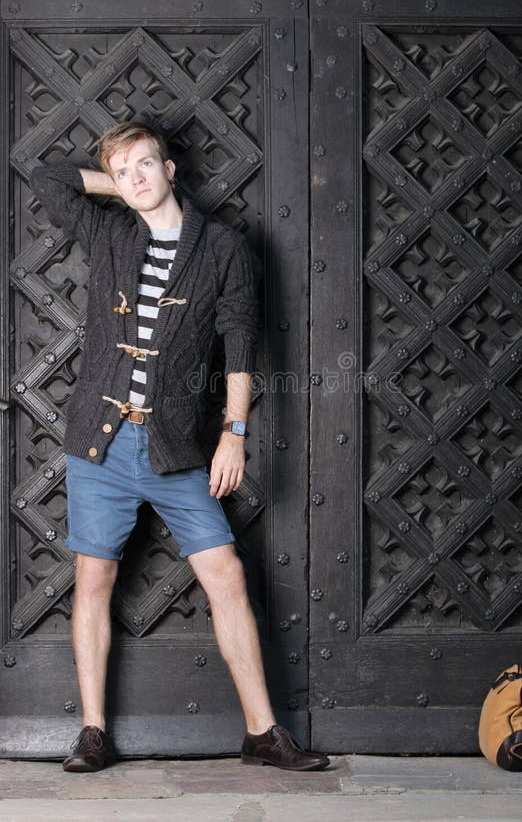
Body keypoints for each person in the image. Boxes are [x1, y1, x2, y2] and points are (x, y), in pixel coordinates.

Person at [30, 121, 329, 774]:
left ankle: (263, 731)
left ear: (173, 169)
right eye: (122, 169)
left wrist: (235, 432)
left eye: (147, 165)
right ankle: (92, 732)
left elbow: (242, 342)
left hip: (173, 448)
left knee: (224, 574)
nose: (135, 176)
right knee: (94, 579)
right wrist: (128, 187)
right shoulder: (109, 231)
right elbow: (47, 177)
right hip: (99, 447)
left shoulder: (223, 246)